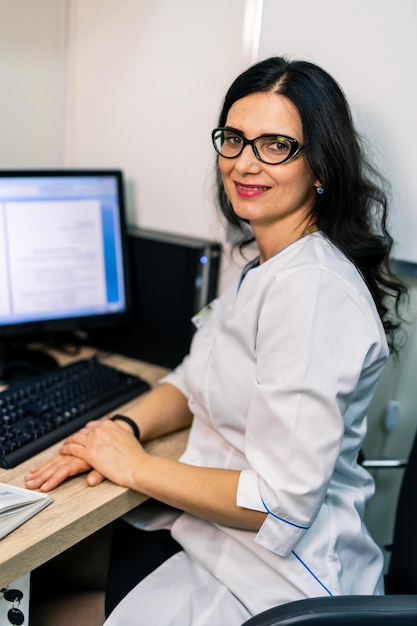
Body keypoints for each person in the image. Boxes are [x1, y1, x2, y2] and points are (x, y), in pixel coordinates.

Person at [25, 56, 407, 626]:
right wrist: (119, 430)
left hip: (278, 586)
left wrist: (133, 466)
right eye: (234, 139)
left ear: (320, 167)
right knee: (47, 571)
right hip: (213, 542)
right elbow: (190, 378)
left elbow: (279, 504)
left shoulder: (313, 293)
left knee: (41, 607)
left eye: (276, 144)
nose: (245, 163)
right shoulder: (262, 259)